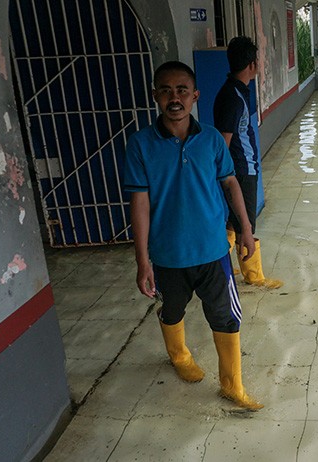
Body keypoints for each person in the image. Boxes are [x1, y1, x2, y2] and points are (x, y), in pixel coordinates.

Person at [124, 60, 263, 410]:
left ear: (195, 96)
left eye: (182, 90)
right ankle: (179, 356)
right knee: (172, 310)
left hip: (215, 251)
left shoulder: (213, 139)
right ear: (155, 95)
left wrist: (245, 229)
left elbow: (231, 183)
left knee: (227, 317)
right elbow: (139, 204)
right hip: (168, 255)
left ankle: (233, 385)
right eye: (167, 90)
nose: (175, 98)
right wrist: (143, 261)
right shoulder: (141, 145)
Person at [214, 36, 282, 289]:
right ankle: (254, 277)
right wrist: (227, 175)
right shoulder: (232, 97)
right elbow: (224, 141)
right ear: (252, 64)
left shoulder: (235, 90)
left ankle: (221, 265)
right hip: (241, 171)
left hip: (243, 168)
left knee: (234, 221)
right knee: (246, 224)